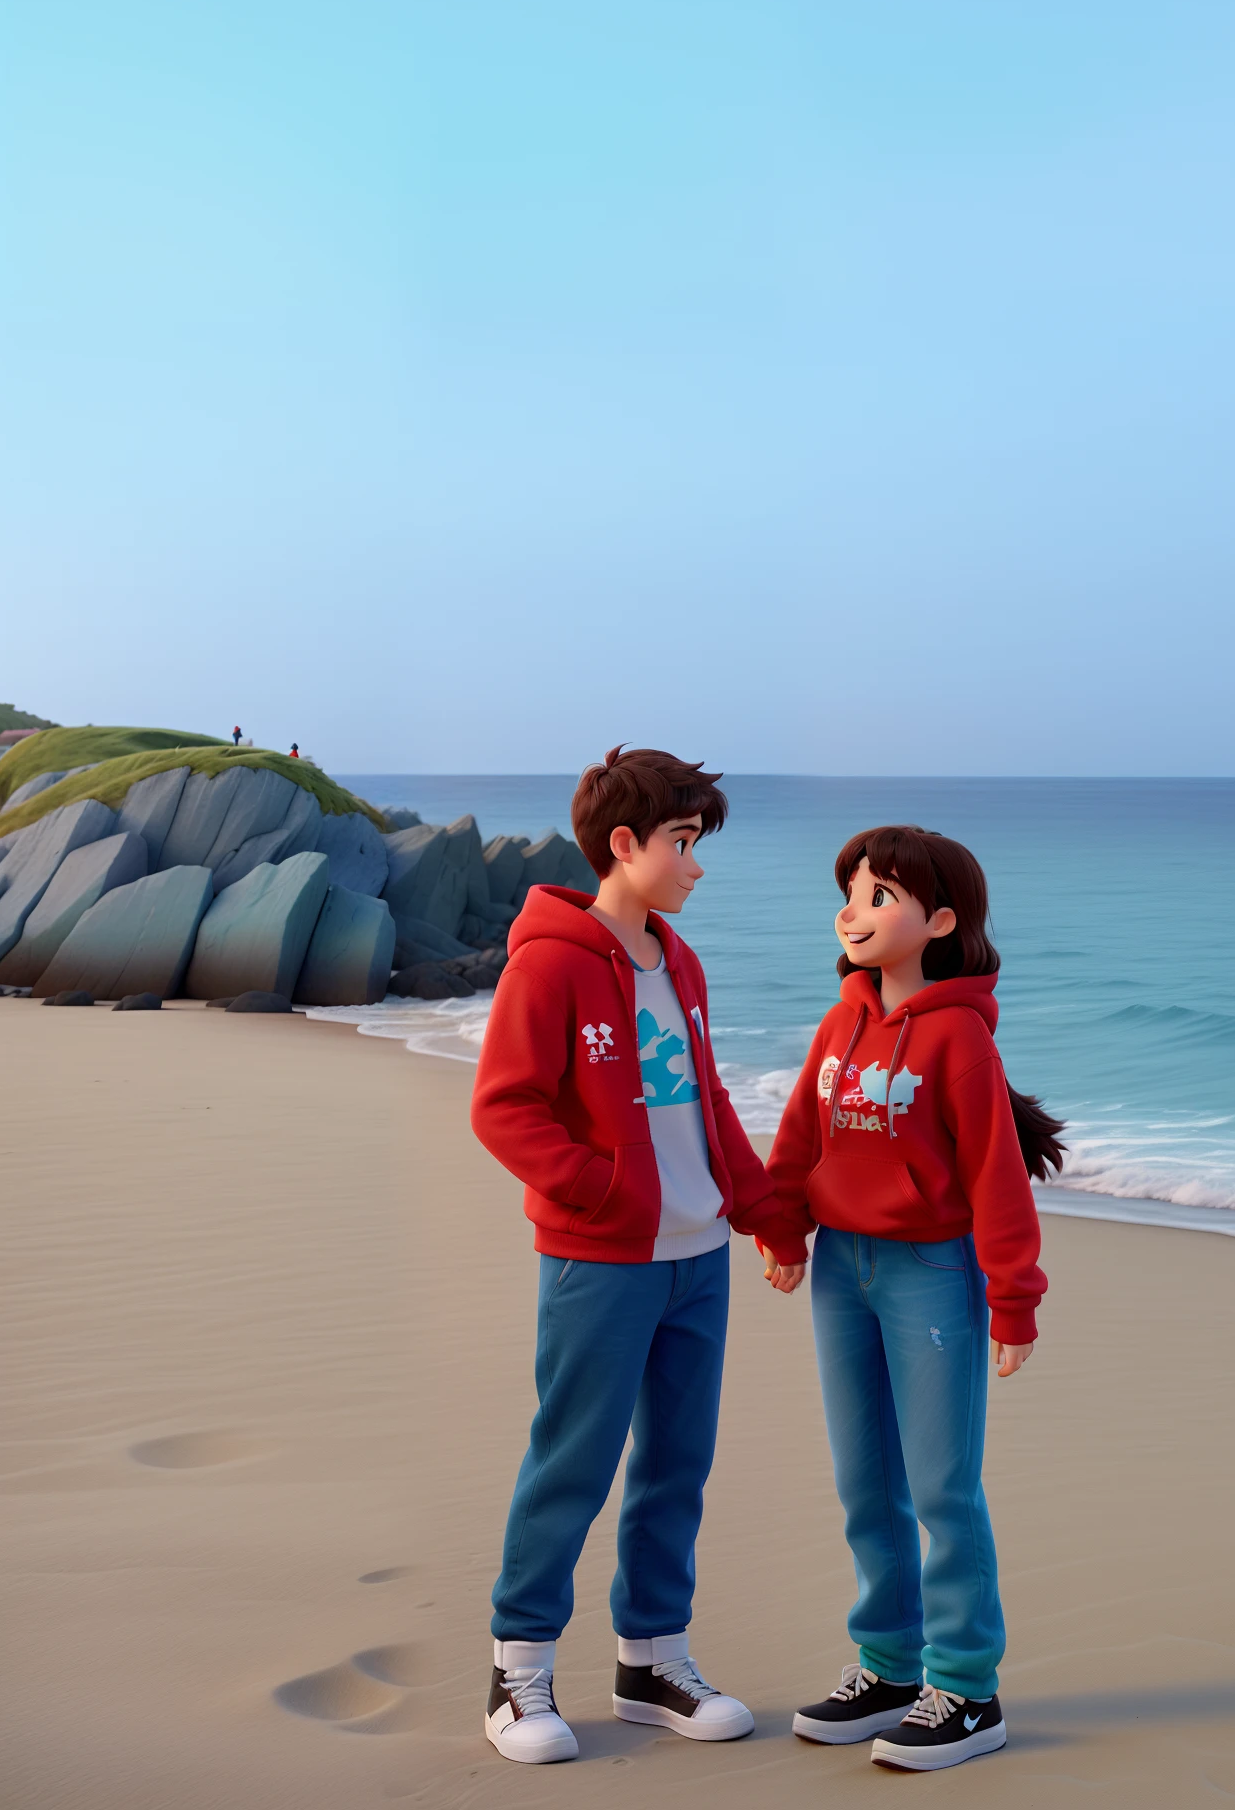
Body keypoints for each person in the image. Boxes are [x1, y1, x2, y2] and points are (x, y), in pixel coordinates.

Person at [469, 746, 805, 1766]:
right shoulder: (552, 960)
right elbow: (504, 1109)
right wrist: (609, 1191)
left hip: (698, 1258)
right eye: (684, 842)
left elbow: (706, 1107)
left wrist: (763, 1213)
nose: (697, 864)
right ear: (625, 843)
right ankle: (517, 1669)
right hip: (601, 1258)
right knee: (572, 1460)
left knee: (675, 1463)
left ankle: (652, 1658)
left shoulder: (681, 961)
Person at [760, 825, 1065, 1772]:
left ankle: (969, 1691)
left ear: (938, 922)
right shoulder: (839, 1022)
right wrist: (781, 1226)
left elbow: (995, 1179)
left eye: (879, 895)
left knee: (940, 1485)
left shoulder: (959, 1036)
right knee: (864, 1481)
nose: (854, 910)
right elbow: (800, 1138)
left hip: (930, 1271)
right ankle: (889, 1666)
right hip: (844, 1268)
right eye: (851, 890)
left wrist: (1013, 1299)